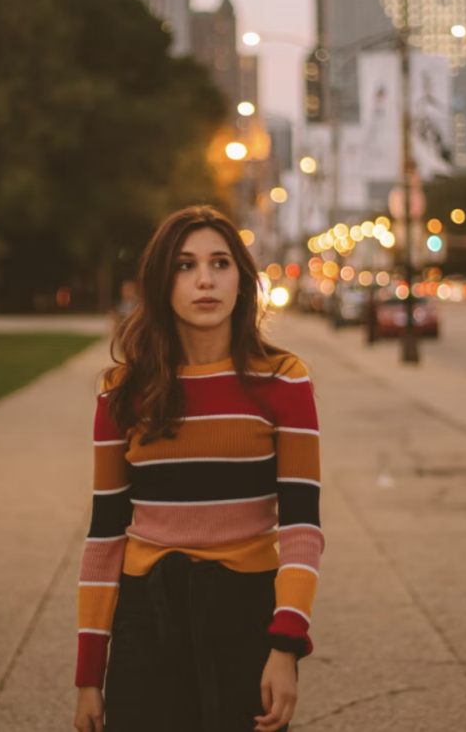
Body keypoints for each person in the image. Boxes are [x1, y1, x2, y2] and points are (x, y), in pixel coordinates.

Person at [73, 206, 324, 732]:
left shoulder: (284, 381)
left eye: (220, 263)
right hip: (148, 618)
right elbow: (104, 535)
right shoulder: (121, 392)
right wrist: (89, 678)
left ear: (243, 280)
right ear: (161, 282)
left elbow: (301, 526)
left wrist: (285, 646)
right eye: (185, 266)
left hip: (246, 614)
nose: (205, 280)